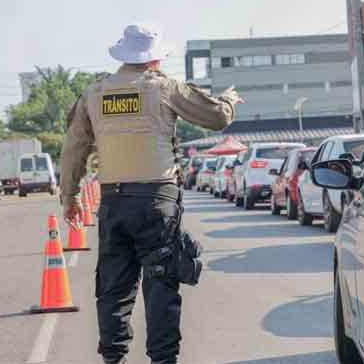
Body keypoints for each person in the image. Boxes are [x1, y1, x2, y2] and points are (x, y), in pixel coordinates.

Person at [60, 23, 242, 364]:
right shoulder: (164, 88)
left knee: (113, 290)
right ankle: (163, 360)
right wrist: (229, 100)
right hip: (157, 203)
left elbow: (73, 149)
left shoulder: (94, 93)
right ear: (155, 59)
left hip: (113, 202)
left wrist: (69, 198)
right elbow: (217, 117)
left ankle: (114, 359)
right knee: (161, 285)